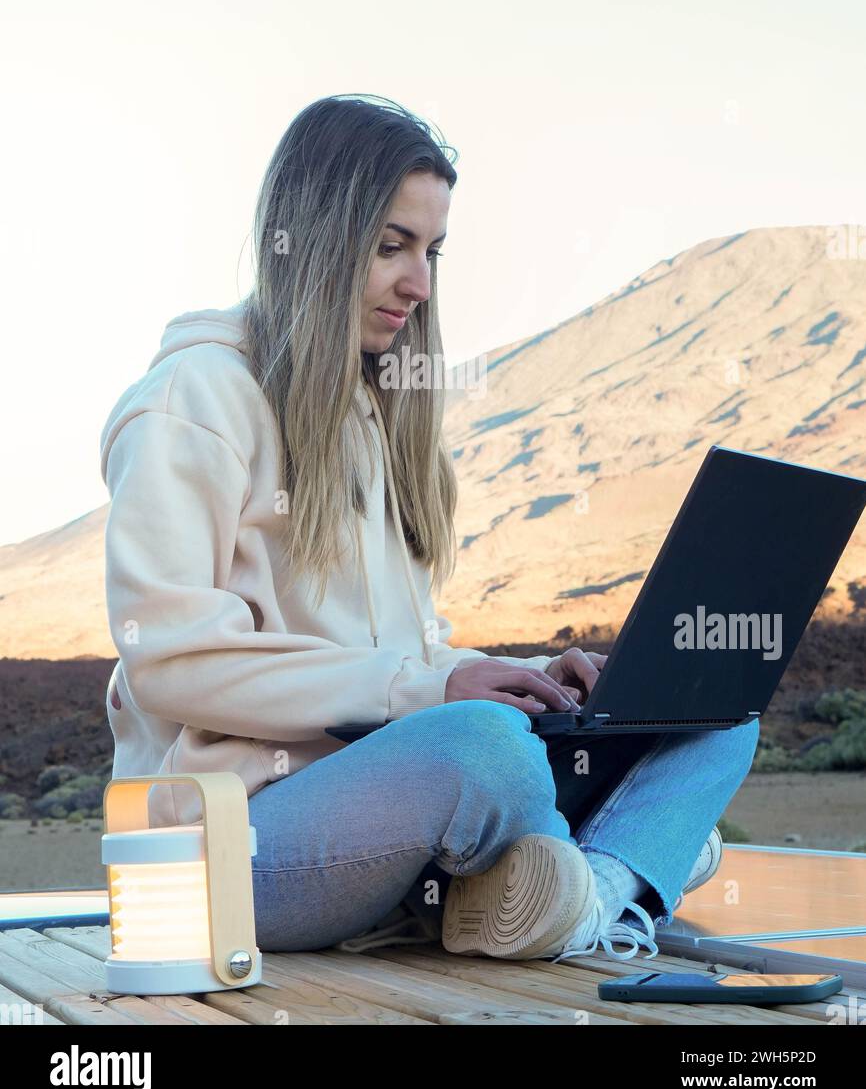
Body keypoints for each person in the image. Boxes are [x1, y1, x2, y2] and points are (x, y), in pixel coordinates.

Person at [100, 93, 760, 964]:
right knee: (481, 747)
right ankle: (628, 867)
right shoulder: (194, 400)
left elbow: (399, 660)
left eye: (431, 250)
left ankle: (583, 894)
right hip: (219, 847)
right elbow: (172, 659)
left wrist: (517, 679)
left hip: (379, 808)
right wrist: (430, 693)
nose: (420, 282)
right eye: (389, 246)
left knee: (710, 704)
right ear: (314, 235)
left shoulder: (375, 416)